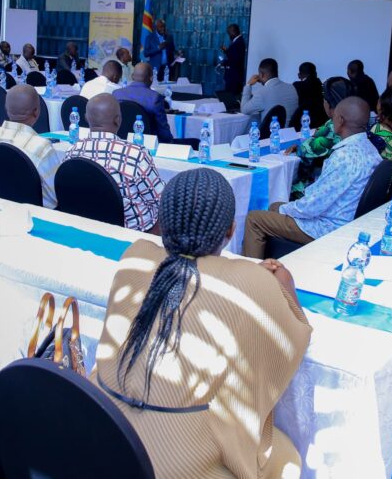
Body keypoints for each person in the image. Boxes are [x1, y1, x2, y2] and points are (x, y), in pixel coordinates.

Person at [93, 169, 312, 479]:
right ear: (231, 230)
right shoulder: (254, 282)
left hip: (101, 428)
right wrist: (284, 288)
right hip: (178, 465)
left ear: (161, 222)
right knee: (287, 455)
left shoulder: (135, 256)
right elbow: (294, 337)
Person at [243, 97, 380, 257]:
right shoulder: (370, 149)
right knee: (274, 206)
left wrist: (283, 209)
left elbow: (310, 208)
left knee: (254, 219)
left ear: (341, 120)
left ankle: (252, 271)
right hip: (346, 218)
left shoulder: (344, 156)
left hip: (325, 227)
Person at [64, 94, 163, 233]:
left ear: (86, 118)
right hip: (133, 232)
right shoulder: (135, 154)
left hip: (86, 225)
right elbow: (161, 199)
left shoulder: (71, 152)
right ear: (118, 120)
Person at [0, 85, 64, 208]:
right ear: (36, 111)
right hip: (38, 212)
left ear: (6, 108)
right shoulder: (41, 146)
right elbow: (56, 194)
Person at [286, 77, 351, 199]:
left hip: (319, 189)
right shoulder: (354, 121)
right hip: (341, 187)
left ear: (329, 104)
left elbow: (306, 150)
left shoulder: (332, 127)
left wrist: (299, 148)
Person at [113, 62, 174, 143]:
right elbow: (163, 130)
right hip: (146, 143)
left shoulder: (116, 94)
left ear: (132, 76)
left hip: (120, 141)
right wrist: (171, 143)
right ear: (151, 78)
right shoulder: (155, 97)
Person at [240, 58, 299, 127]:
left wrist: (248, 85)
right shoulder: (291, 88)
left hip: (272, 132)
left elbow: (244, 109)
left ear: (261, 74)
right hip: (291, 131)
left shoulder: (261, 93)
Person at [293, 62, 326, 127]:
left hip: (304, 123)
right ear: (316, 74)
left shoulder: (297, 86)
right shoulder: (323, 86)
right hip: (323, 122)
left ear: (299, 75)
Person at [220, 23, 246, 95]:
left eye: (229, 33)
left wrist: (224, 63)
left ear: (233, 32)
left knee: (230, 96)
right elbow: (234, 55)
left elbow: (235, 60)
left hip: (234, 76)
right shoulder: (238, 41)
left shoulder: (238, 43)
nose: (229, 36)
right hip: (235, 75)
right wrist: (227, 51)